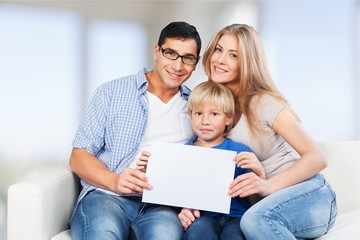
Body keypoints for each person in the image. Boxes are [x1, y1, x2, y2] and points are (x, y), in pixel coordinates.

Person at [179, 23, 337, 239]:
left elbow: (317, 158)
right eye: (218, 49)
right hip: (261, 204)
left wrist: (268, 185)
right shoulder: (211, 107)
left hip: (309, 193)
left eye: (233, 55)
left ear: (247, 63)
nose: (220, 59)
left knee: (253, 220)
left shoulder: (263, 102)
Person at [68, 21, 202, 240]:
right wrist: (114, 180)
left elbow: (201, 162)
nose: (178, 66)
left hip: (162, 206)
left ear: (195, 63)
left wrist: (190, 201)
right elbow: (78, 156)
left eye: (188, 58)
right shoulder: (111, 92)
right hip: (107, 197)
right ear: (157, 51)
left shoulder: (197, 106)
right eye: (171, 53)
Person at [137, 81, 264, 240]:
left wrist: (259, 175)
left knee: (236, 235)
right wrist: (152, 169)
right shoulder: (182, 153)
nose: (205, 121)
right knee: (197, 231)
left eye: (214, 114)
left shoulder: (240, 152)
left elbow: (255, 202)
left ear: (228, 119)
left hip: (236, 217)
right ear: (190, 116)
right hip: (202, 218)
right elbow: (173, 192)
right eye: (198, 114)